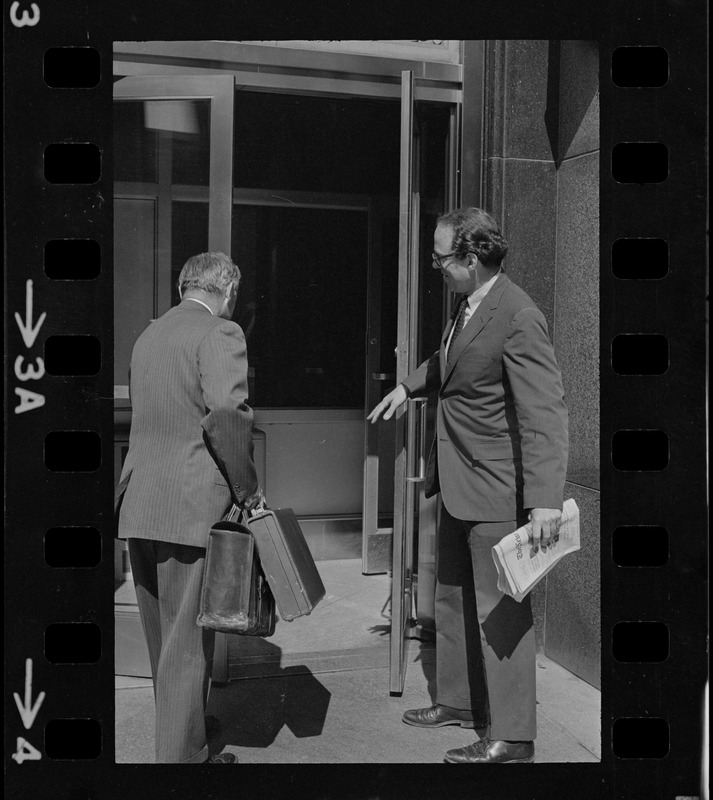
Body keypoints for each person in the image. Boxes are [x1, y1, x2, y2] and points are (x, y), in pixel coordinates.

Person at [368, 208, 568, 764]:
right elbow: (449, 364)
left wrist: (544, 501)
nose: (436, 267)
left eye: (441, 258)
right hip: (457, 483)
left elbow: (544, 413)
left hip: (499, 491)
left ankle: (513, 735)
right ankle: (456, 701)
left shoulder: (518, 314)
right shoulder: (469, 305)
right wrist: (409, 389)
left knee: (501, 614)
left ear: (472, 260)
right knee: (452, 598)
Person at [115, 251, 264, 764]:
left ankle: (187, 732)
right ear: (227, 293)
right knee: (185, 643)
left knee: (163, 637)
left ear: (184, 286)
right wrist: (247, 489)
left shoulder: (149, 335)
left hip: (141, 504)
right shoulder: (220, 334)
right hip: (189, 506)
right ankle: (180, 762)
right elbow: (226, 412)